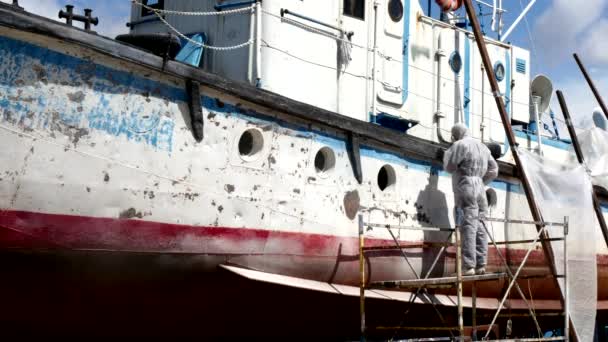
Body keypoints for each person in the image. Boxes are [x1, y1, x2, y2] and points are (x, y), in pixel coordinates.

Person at [443, 123, 498, 276]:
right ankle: (481, 264)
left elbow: (449, 167)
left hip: (466, 184)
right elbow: (494, 170)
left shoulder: (460, 145)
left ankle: (468, 266)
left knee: (468, 225)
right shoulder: (483, 147)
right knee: (481, 225)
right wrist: (481, 181)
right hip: (480, 186)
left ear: (456, 134)